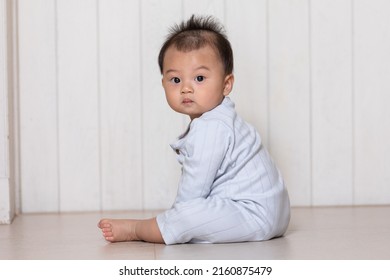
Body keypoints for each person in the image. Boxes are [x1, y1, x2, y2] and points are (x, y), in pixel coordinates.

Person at [98, 15, 290, 245]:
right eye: (175, 80)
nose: (186, 88)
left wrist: (174, 219)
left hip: (253, 214)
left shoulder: (212, 127)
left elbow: (192, 193)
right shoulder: (219, 119)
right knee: (194, 215)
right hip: (271, 213)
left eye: (199, 78)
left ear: (226, 84)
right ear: (163, 84)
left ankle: (136, 229)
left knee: (186, 216)